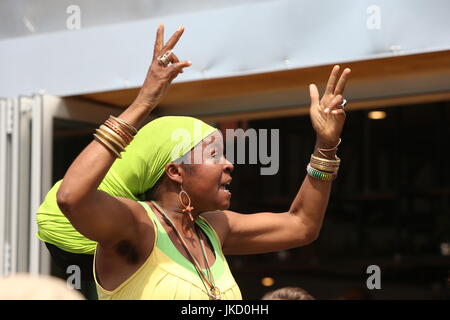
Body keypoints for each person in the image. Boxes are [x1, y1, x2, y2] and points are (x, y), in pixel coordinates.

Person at [37, 24, 351, 300]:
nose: (229, 164)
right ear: (175, 171)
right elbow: (72, 197)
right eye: (215, 155)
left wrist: (326, 145)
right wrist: (144, 100)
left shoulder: (214, 229)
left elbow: (301, 226)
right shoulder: (136, 225)